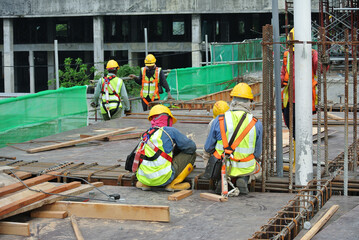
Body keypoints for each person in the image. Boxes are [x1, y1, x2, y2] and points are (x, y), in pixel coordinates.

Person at [204, 83, 263, 195]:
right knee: (258, 170)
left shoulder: (219, 120)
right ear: (249, 102)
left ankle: (222, 180)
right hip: (246, 166)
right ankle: (244, 179)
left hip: (223, 165)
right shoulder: (256, 123)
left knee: (216, 157)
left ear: (232, 101)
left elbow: (208, 147)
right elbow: (257, 153)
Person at [132, 104, 196, 191]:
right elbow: (191, 147)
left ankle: (144, 184)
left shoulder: (146, 134)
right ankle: (173, 184)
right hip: (164, 178)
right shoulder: (170, 131)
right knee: (191, 154)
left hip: (144, 177)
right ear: (168, 119)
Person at [281, 28, 318, 171]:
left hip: (304, 100)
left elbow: (320, 69)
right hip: (289, 100)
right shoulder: (287, 55)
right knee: (293, 129)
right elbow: (283, 73)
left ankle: (300, 162)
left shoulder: (313, 54)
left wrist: (323, 61)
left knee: (300, 130)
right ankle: (298, 161)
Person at [202, 100, 230, 167]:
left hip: (220, 157)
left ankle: (208, 170)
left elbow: (208, 147)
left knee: (206, 150)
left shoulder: (213, 123)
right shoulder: (234, 121)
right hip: (234, 155)